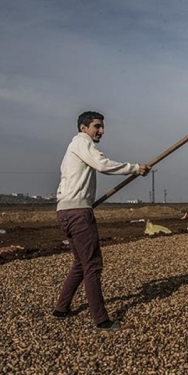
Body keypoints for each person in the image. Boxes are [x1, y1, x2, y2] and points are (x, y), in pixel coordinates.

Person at [52, 111, 151, 332]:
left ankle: (61, 308)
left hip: (65, 212)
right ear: (83, 128)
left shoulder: (72, 149)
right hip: (78, 213)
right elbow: (103, 165)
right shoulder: (82, 144)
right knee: (93, 266)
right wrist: (135, 168)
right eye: (97, 126)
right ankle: (101, 320)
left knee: (80, 264)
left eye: (102, 127)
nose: (101, 131)